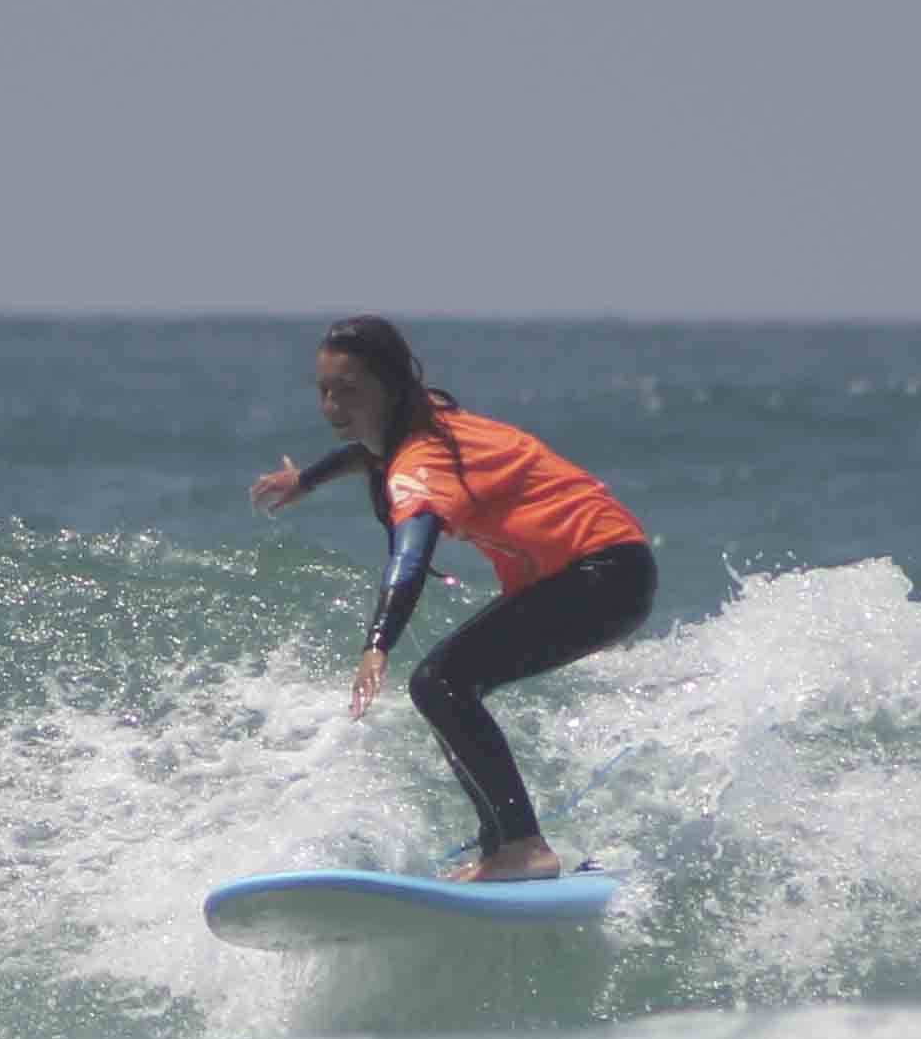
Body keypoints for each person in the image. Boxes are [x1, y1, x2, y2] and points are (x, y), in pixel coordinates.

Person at [251, 315, 653, 882]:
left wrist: (377, 644)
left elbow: (410, 555)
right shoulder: (423, 419)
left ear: (388, 388)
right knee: (447, 683)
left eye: (349, 390)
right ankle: (505, 846)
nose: (331, 405)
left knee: (440, 683)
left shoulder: (422, 461)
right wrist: (307, 480)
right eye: (324, 390)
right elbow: (370, 451)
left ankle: (522, 846)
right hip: (605, 568)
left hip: (602, 574)